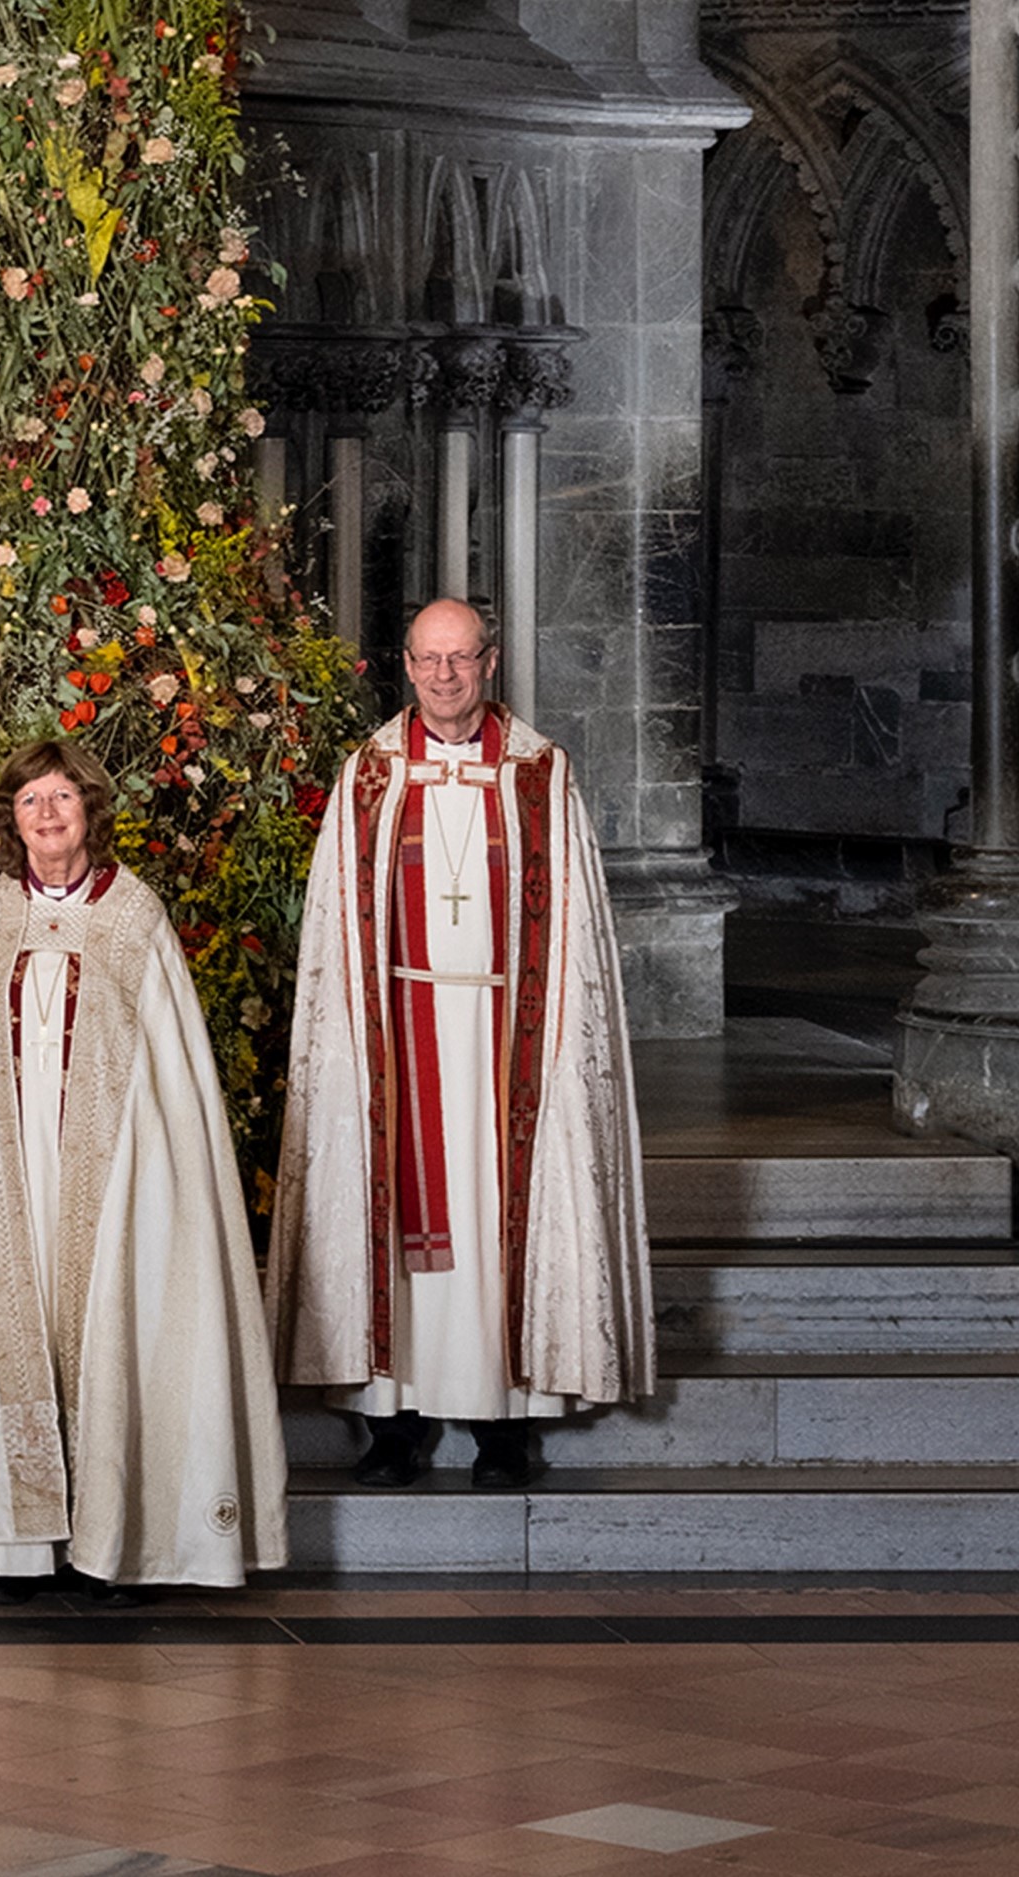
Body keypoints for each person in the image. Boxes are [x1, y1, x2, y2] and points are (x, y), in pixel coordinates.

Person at [0, 741, 286, 1599]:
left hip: (113, 1177)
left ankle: (108, 1538)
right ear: (12, 821)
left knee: (108, 1327)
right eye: (29, 803)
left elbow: (174, 1069)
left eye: (61, 799)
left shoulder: (135, 917)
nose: (47, 817)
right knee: (2, 1330)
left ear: (90, 807)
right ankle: (13, 1542)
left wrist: (162, 1176)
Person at [271, 599, 653, 1489]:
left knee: (494, 1222)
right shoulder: (368, 776)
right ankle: (394, 1424)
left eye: (461, 659)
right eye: (428, 659)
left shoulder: (537, 775)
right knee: (393, 1215)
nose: (445, 676)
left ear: (490, 663)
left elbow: (577, 936)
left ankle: (503, 1426)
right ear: (406, 665)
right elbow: (335, 932)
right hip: (394, 1035)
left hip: (502, 1041)